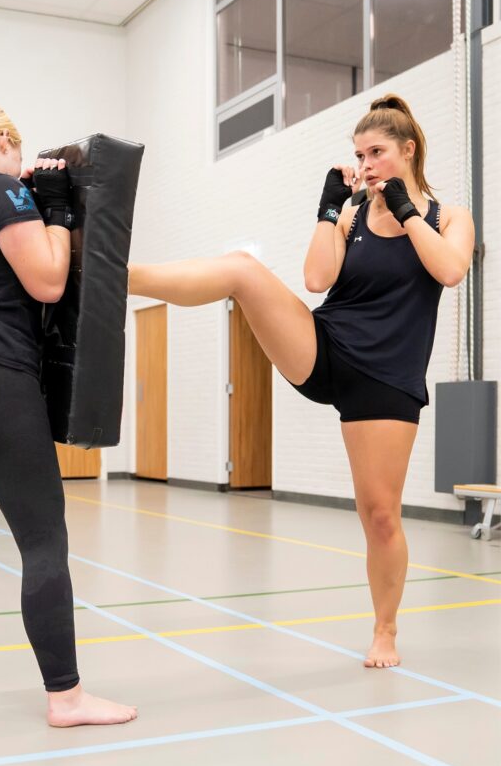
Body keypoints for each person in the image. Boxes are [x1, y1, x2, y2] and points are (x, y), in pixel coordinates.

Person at [129, 94, 474, 670]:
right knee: (242, 267)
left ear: (408, 150)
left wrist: (407, 211)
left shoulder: (447, 216)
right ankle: (118, 277)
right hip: (327, 349)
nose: (365, 164)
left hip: (386, 379)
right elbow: (316, 279)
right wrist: (328, 210)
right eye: (359, 154)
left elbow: (451, 270)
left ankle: (384, 631)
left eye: (377, 152)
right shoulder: (354, 213)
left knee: (380, 514)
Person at [0, 101, 138, 727]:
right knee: (43, 542)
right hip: (0, 379)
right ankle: (66, 698)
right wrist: (58, 209)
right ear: (4, 139)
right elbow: (47, 282)